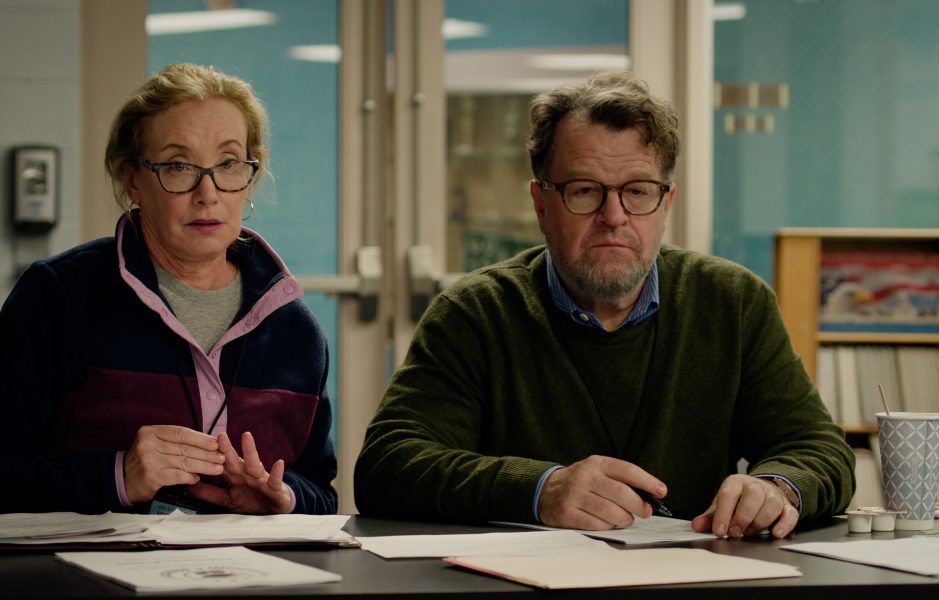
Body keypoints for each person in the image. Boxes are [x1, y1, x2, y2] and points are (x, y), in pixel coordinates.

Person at [354, 70, 854, 539]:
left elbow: (818, 449)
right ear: (541, 204)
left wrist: (776, 487)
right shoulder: (476, 312)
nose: (614, 216)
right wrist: (539, 489)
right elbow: (388, 465)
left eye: (637, 191)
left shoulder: (733, 302)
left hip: (690, 587)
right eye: (585, 191)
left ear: (666, 203)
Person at [0, 63, 337, 518]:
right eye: (178, 166)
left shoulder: (294, 329)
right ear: (132, 179)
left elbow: (322, 495)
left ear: (249, 176)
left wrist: (284, 499)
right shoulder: (60, 298)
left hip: (251, 584)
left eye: (228, 164)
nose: (207, 192)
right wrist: (117, 476)